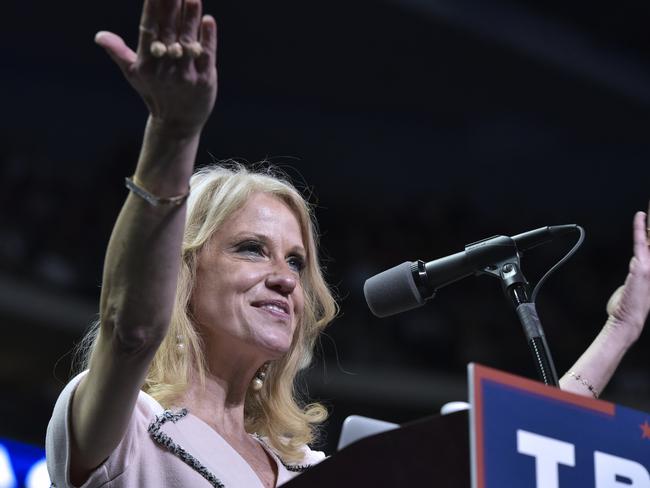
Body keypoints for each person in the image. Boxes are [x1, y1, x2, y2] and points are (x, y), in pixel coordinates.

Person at [45, 0, 650, 486]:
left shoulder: (312, 471)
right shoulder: (126, 429)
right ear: (183, 272)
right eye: (252, 248)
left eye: (297, 261)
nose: (286, 277)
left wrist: (619, 330)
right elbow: (130, 331)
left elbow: (518, 446)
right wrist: (173, 135)